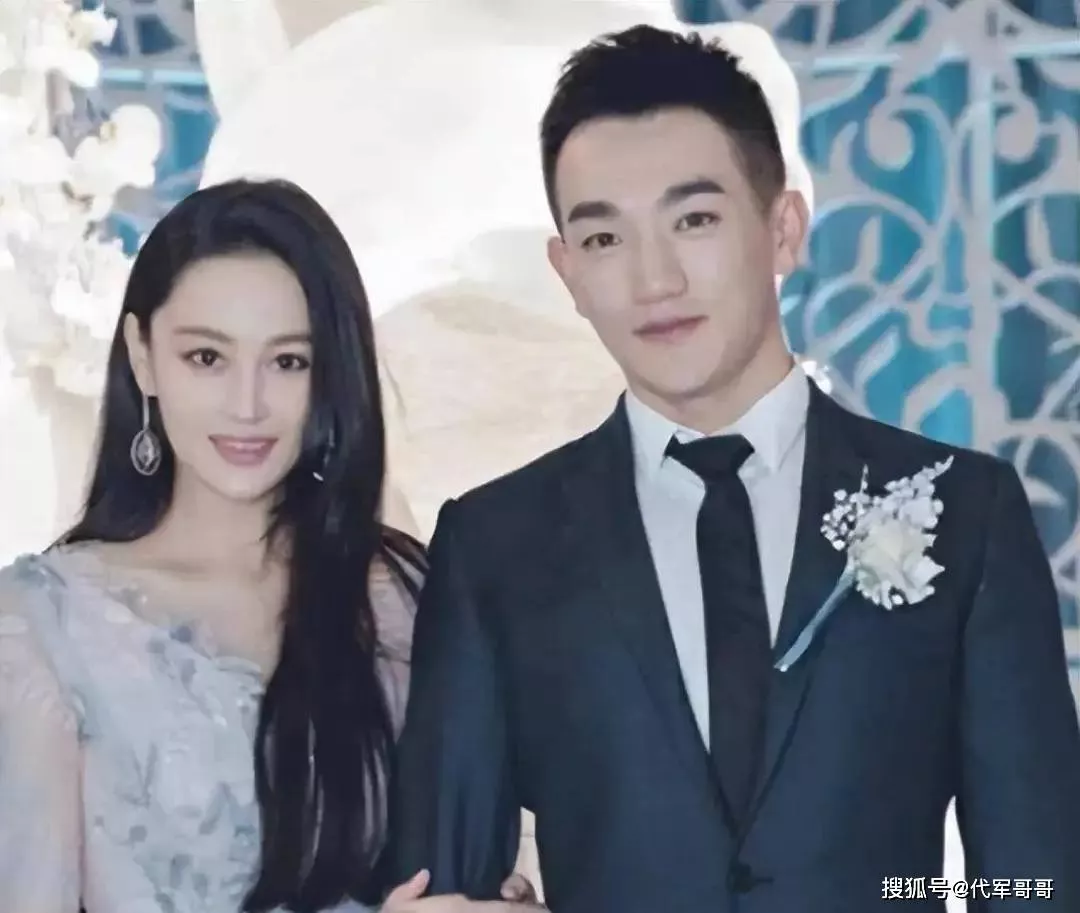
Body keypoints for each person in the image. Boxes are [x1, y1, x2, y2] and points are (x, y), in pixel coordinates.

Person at [389, 25, 1080, 913]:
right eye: (604, 239)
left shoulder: (963, 512)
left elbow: (1036, 877)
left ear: (783, 229)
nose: (654, 280)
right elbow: (443, 883)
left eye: (694, 220)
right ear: (565, 272)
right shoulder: (496, 544)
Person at [0, 179, 541, 913]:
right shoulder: (44, 627)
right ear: (142, 355)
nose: (247, 405)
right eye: (206, 357)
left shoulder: (406, 592)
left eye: (288, 361)